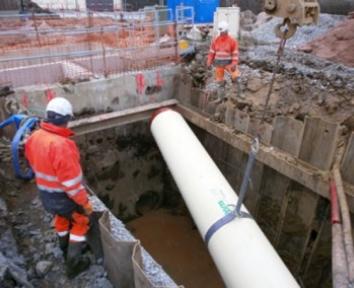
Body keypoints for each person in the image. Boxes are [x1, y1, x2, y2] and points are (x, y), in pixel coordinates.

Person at [25, 97, 93, 278]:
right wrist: (84, 203)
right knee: (81, 221)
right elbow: (71, 183)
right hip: (63, 197)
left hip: (46, 195)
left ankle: (64, 248)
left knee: (61, 219)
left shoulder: (35, 137)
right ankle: (74, 263)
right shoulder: (62, 145)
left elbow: (33, 163)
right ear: (66, 119)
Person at [207, 20, 240, 85]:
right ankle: (221, 94)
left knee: (236, 77)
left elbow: (235, 54)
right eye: (221, 32)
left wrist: (234, 64)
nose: (221, 33)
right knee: (220, 82)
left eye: (223, 32)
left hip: (229, 63)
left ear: (226, 30)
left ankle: (238, 93)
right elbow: (211, 53)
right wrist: (209, 62)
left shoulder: (232, 41)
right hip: (218, 64)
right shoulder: (215, 40)